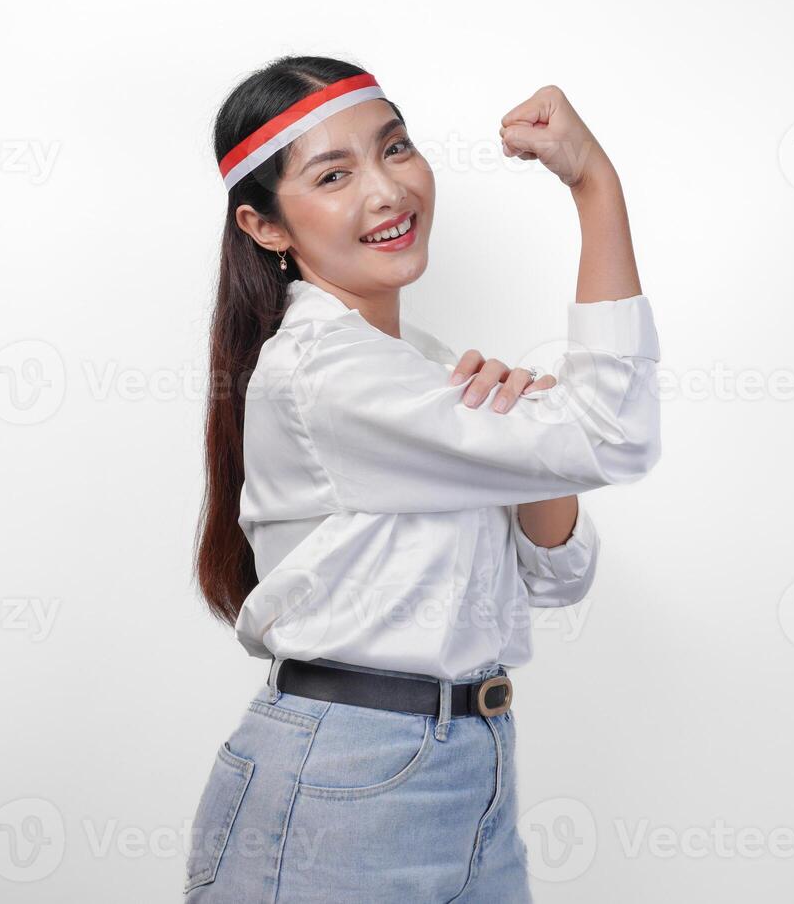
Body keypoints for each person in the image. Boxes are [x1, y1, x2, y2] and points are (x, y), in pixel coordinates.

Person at [186, 55, 661, 901]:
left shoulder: (422, 369)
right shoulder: (330, 376)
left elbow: (559, 574)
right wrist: (595, 184)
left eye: (395, 148)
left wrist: (536, 449)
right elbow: (615, 433)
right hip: (350, 782)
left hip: (468, 767)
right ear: (266, 228)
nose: (386, 191)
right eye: (334, 174)